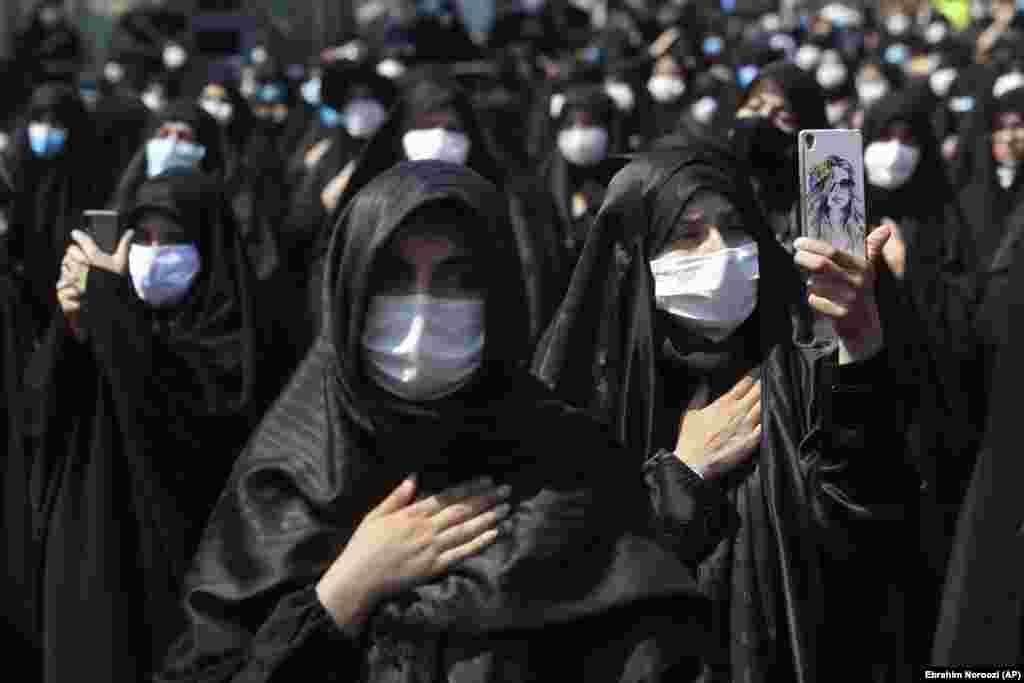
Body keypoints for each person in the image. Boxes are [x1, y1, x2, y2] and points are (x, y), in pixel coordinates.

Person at [155, 160, 731, 682]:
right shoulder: (287, 479)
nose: (424, 307)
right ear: (350, 291)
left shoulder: (566, 460)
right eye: (395, 278)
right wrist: (341, 593)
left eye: (457, 280)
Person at [533, 144, 921, 681]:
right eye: (688, 234)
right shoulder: (579, 401)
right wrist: (681, 477)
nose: (720, 251)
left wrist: (860, 345)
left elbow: (871, 522)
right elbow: (559, 587)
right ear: (633, 254)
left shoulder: (794, 368)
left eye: (735, 229)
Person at [25, 169, 257, 683]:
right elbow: (40, 413)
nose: (155, 253)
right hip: (91, 560)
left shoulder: (226, 336)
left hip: (175, 579)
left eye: (174, 239)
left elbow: (180, 423)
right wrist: (73, 326)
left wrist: (110, 306)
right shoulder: (109, 316)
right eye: (143, 237)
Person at [308, 68, 568, 350]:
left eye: (452, 129)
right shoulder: (370, 203)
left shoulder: (508, 206)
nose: (439, 138)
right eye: (425, 127)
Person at [2, 83, 98, 340]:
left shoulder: (89, 182)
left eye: (56, 124)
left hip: (65, 310)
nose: (45, 131)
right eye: (39, 120)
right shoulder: (11, 171)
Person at [730, 60, 829, 253]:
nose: (762, 120)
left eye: (783, 117)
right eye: (754, 107)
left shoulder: (829, 192)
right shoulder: (719, 184)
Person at [12, 1, 85, 97]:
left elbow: (78, 62)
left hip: (64, 88)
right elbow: (22, 64)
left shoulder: (70, 34)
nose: (52, 13)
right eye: (48, 7)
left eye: (56, 8)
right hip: (35, 88)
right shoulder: (25, 35)